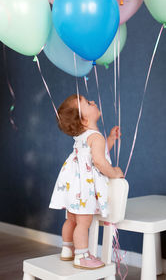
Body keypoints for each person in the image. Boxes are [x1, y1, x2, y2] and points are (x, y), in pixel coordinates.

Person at [49, 94, 124, 269]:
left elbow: (96, 154)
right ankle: (82, 256)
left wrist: (111, 140)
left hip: (72, 186)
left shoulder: (83, 136)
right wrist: (114, 173)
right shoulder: (95, 137)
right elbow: (99, 161)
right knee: (84, 223)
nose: (94, 102)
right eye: (88, 103)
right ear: (84, 120)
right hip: (84, 189)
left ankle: (67, 249)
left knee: (71, 220)